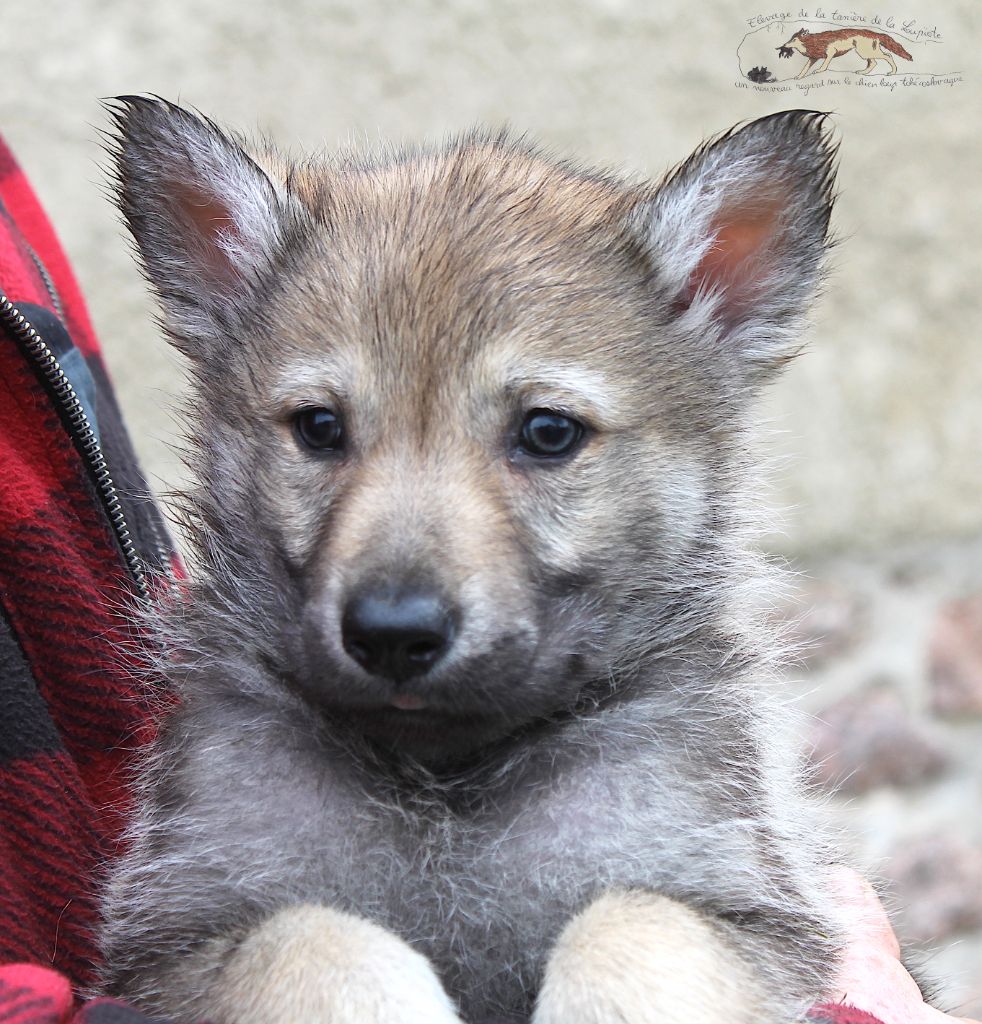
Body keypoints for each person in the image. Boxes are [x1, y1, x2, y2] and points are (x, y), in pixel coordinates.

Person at [0, 135, 974, 1024]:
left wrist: (653, 970)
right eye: (321, 430)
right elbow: (160, 963)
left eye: (546, 435)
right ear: (220, 290)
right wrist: (306, 977)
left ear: (721, 297)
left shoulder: (681, 725)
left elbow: (784, 949)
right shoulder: (235, 730)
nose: (394, 590)